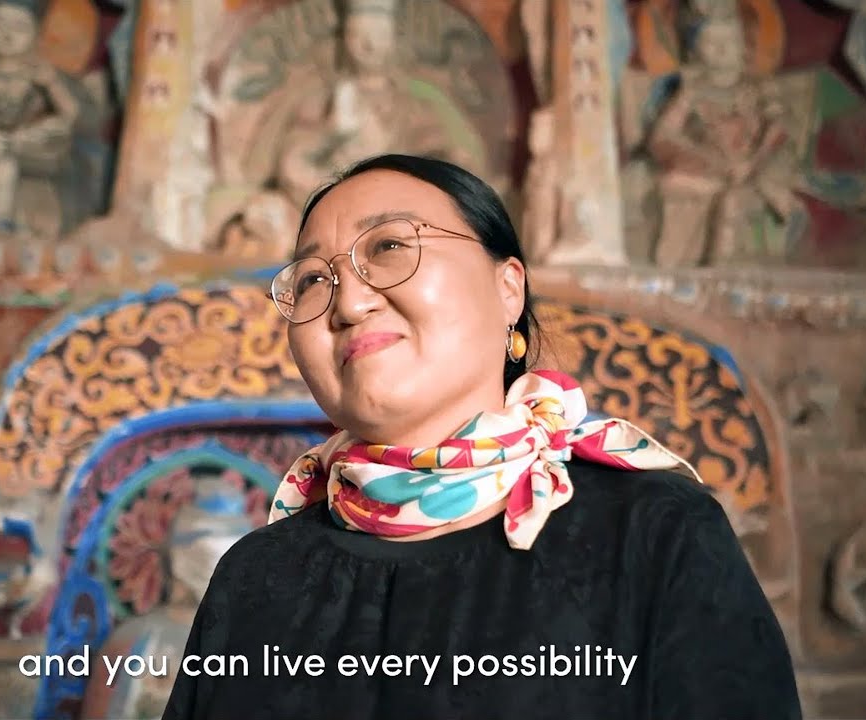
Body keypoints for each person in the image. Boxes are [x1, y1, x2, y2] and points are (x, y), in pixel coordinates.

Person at [160, 154, 800, 719]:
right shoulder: (256, 576)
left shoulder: (653, 534)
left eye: (389, 246)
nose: (348, 304)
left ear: (508, 288)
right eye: (311, 281)